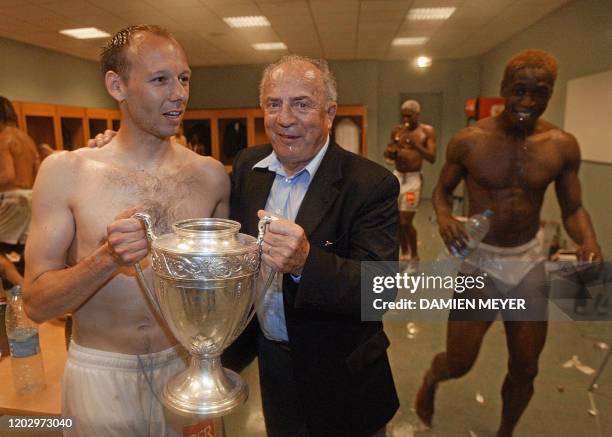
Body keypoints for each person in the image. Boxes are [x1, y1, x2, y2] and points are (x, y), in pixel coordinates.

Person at [23, 25, 229, 437]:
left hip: (185, 366)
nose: (180, 94)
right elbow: (36, 304)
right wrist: (105, 260)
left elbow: (227, 291)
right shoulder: (67, 173)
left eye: (184, 78)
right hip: (101, 372)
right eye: (160, 80)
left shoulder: (210, 177)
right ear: (117, 86)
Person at [415, 50, 602, 437]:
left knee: (526, 366)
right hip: (481, 263)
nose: (527, 103)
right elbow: (442, 192)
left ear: (550, 94)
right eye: (519, 91)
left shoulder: (561, 144)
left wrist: (589, 240)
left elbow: (573, 207)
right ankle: (432, 380)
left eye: (540, 93)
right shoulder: (470, 141)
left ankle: (505, 432)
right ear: (503, 89)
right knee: (459, 361)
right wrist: (447, 217)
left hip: (529, 262)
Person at [230, 55, 399, 437]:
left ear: (330, 113)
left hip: (343, 376)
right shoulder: (248, 167)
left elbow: (381, 290)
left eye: (302, 104)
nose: (285, 118)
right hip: (274, 365)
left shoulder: (370, 184)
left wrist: (306, 262)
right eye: (274, 104)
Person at [384, 100, 436, 261]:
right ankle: (405, 253)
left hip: (413, 179)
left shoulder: (426, 131)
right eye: (404, 115)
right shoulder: (397, 131)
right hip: (398, 175)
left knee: (405, 221)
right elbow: (388, 154)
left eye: (409, 115)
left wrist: (416, 144)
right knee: (396, 221)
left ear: (417, 115)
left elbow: (432, 157)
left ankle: (415, 255)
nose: (406, 119)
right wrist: (390, 151)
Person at [0, 96, 40, 287]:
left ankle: (23, 293)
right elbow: (37, 170)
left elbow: (8, 176)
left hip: (13, 200)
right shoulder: (27, 139)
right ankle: (22, 302)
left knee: (4, 255)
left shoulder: (3, 138)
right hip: (30, 197)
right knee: (19, 254)